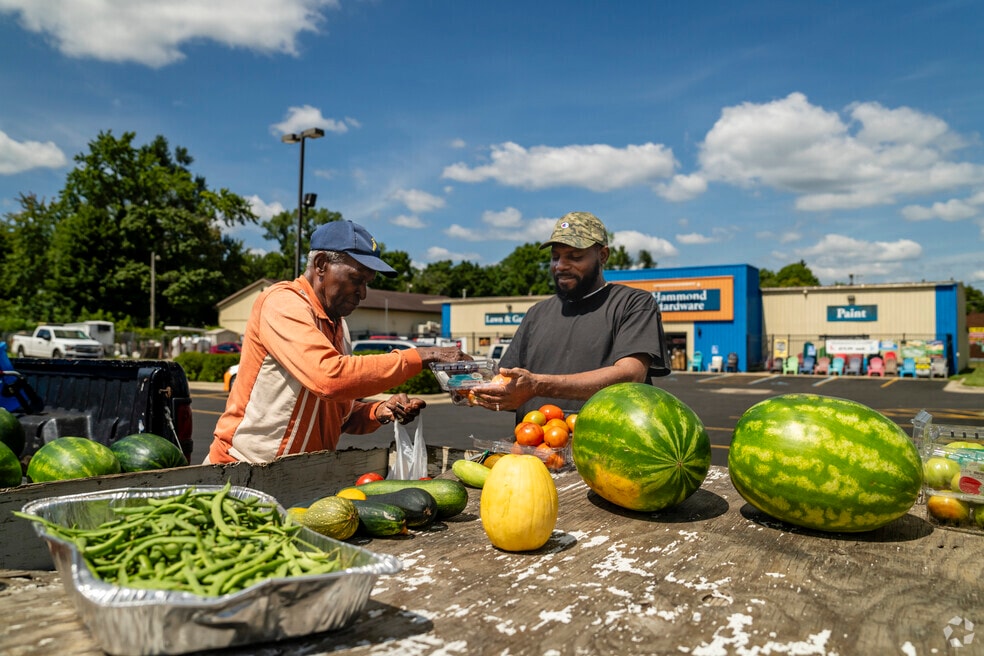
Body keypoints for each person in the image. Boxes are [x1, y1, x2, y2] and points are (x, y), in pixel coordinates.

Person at [207, 220, 469, 464]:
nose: (363, 293)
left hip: (299, 474)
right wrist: (422, 356)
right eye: (356, 279)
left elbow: (338, 413)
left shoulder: (338, 326)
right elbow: (329, 378)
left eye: (367, 283)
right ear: (321, 264)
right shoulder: (282, 303)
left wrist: (380, 410)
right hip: (241, 469)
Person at [473, 211, 670, 422]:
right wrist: (462, 371)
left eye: (575, 257)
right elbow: (508, 383)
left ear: (603, 256)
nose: (561, 266)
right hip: (533, 446)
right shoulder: (536, 314)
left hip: (607, 447)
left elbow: (631, 375)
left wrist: (538, 385)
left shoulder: (632, 303)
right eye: (555, 257)